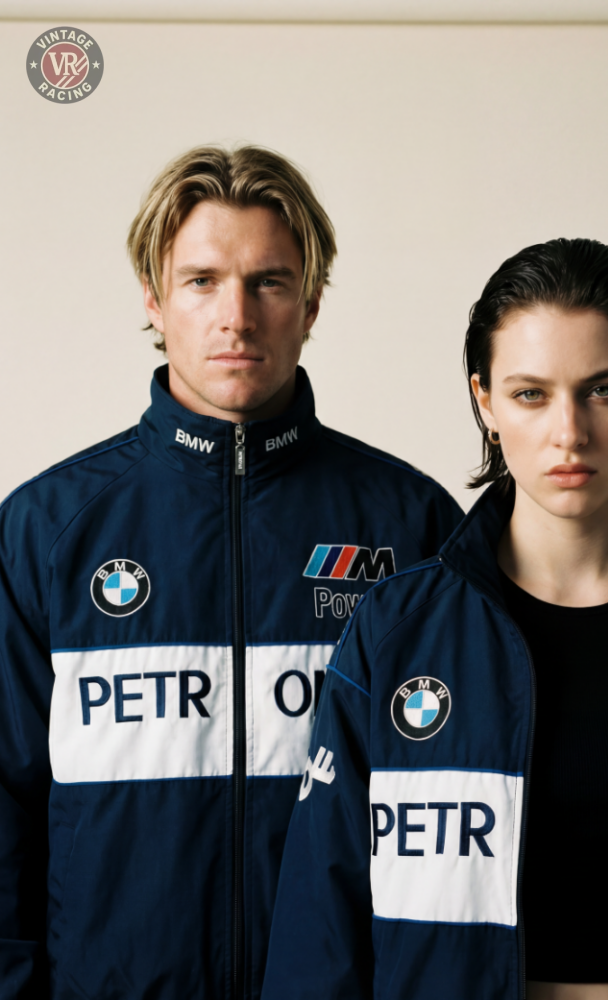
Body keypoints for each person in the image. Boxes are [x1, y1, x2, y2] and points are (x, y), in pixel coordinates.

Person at [264, 238, 608, 1000]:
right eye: (530, 394)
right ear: (484, 401)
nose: (569, 433)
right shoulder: (394, 633)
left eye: (604, 390)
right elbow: (320, 927)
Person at [0, 144, 463, 999]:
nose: (237, 317)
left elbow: (460, 808)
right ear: (154, 298)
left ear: (312, 304)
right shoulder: (46, 531)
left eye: (270, 283)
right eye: (203, 280)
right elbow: (6, 805)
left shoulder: (414, 526)